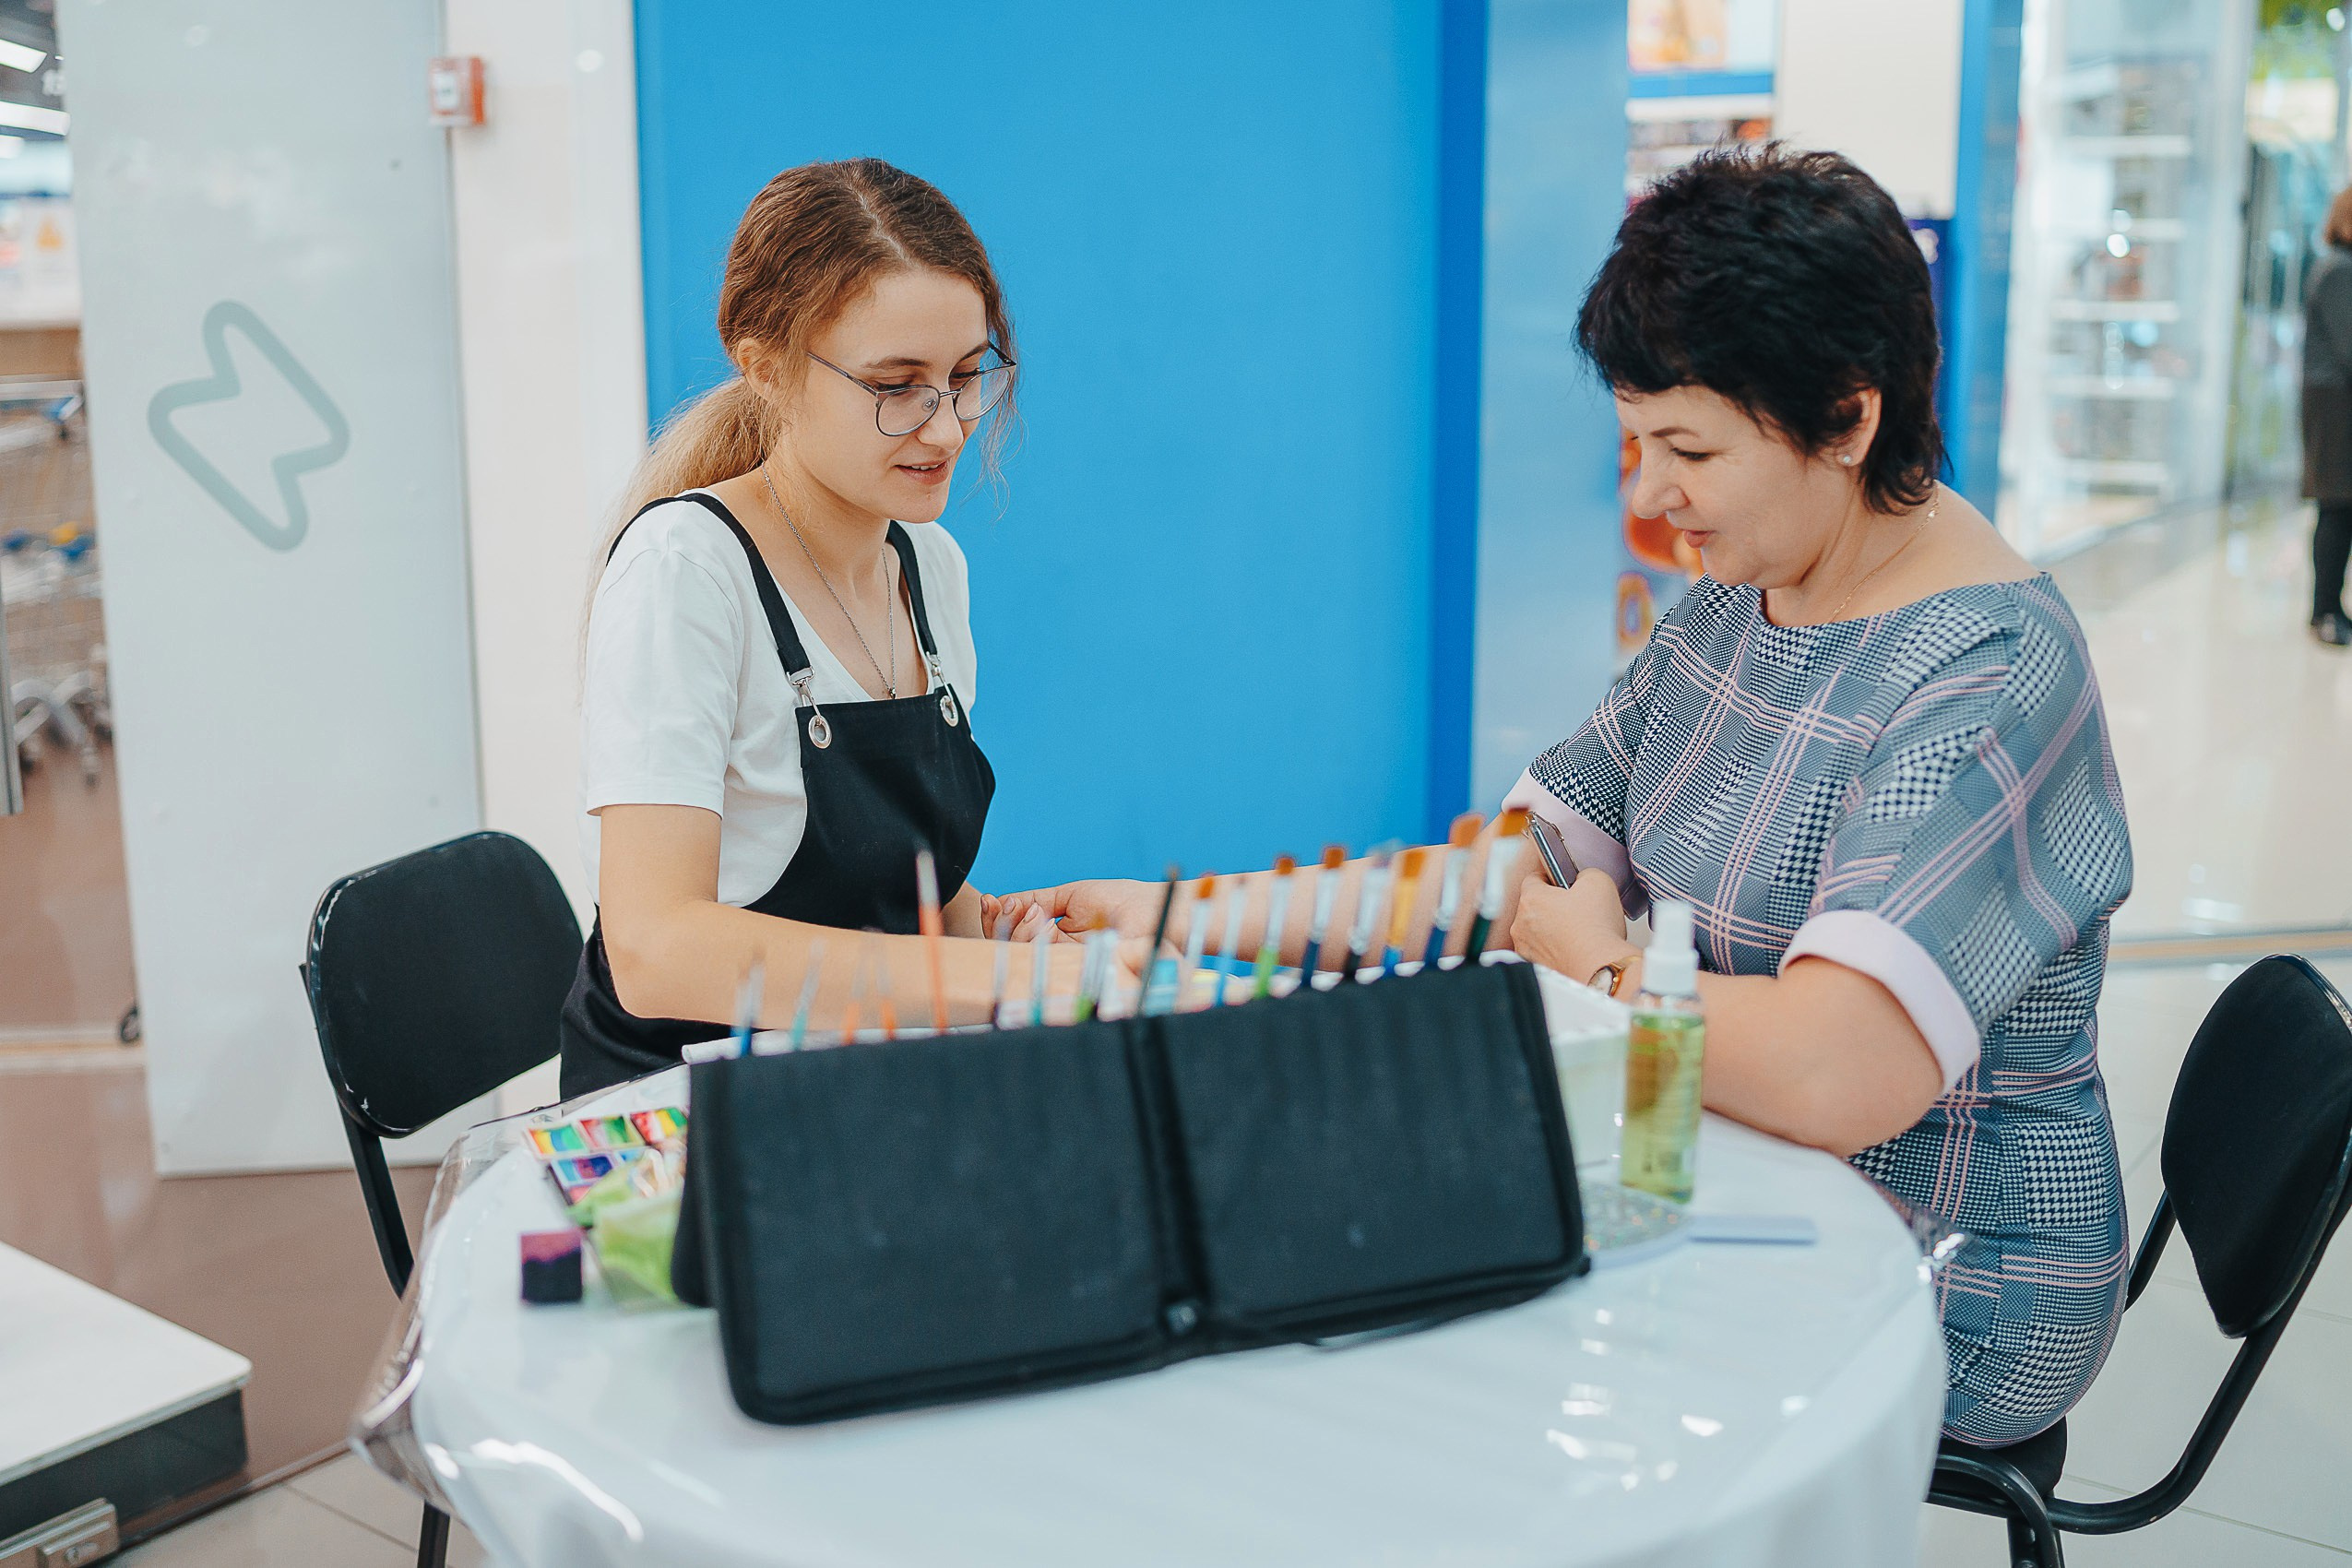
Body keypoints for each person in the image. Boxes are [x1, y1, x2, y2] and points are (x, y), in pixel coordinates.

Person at [1009, 146, 2134, 1448]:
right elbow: (1508, 879)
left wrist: (1601, 969)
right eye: (1634, 441)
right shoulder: (1743, 593)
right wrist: (1171, 918)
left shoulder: (1983, 674)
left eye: (1687, 449)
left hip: (1940, 1271)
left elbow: (1837, 1071)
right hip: (1716, 1160)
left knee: (1426, 1376)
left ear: (1845, 416)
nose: (1646, 495)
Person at [561, 159, 1072, 1098]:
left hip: (852, 1075)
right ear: (769, 369)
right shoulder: (688, 570)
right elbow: (655, 947)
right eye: (896, 384)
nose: (949, 427)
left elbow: (911, 879)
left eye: (966, 377)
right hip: (686, 1107)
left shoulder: (932, 569)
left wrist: (997, 937)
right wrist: (988, 980)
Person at [2301, 186, 2352, 647]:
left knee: (2342, 507)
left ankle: (2333, 608)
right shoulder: (2339, 270)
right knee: (2336, 505)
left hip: (2339, 402)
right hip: (2334, 406)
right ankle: (2325, 611)